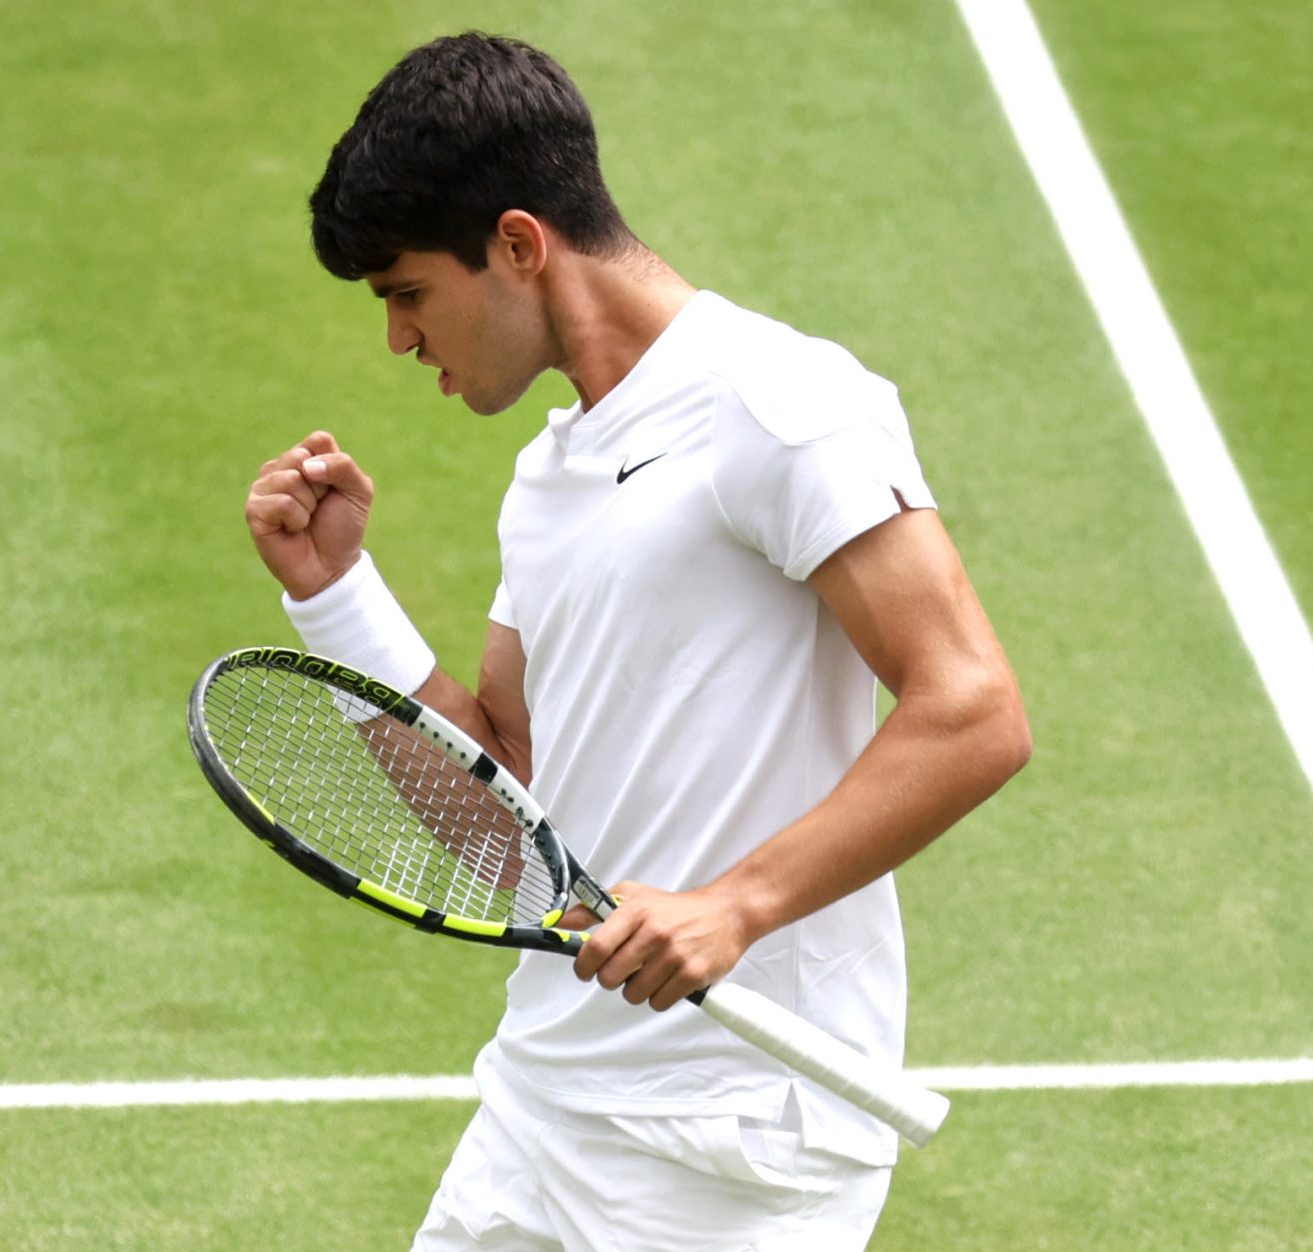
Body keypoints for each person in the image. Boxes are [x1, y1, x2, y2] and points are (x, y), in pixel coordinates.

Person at [244, 32, 1031, 1250]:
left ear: (516, 244)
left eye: (406, 293)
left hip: (728, 1141)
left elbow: (974, 708)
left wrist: (733, 907)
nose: (399, 340)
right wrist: (335, 593)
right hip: (543, 1104)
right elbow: (500, 818)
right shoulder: (549, 476)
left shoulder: (781, 406)